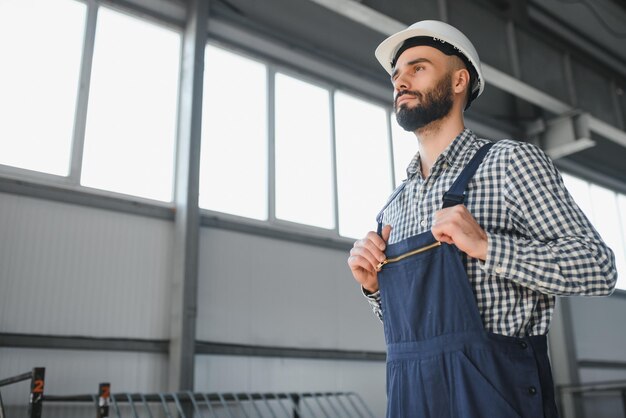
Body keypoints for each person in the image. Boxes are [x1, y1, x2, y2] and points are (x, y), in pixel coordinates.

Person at [347, 20, 617, 418]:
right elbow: (417, 323)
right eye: (397, 74)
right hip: (410, 398)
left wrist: (488, 247)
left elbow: (598, 268)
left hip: (494, 395)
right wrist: (374, 289)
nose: (401, 81)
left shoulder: (509, 163)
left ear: (458, 81)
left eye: (417, 68)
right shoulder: (393, 206)